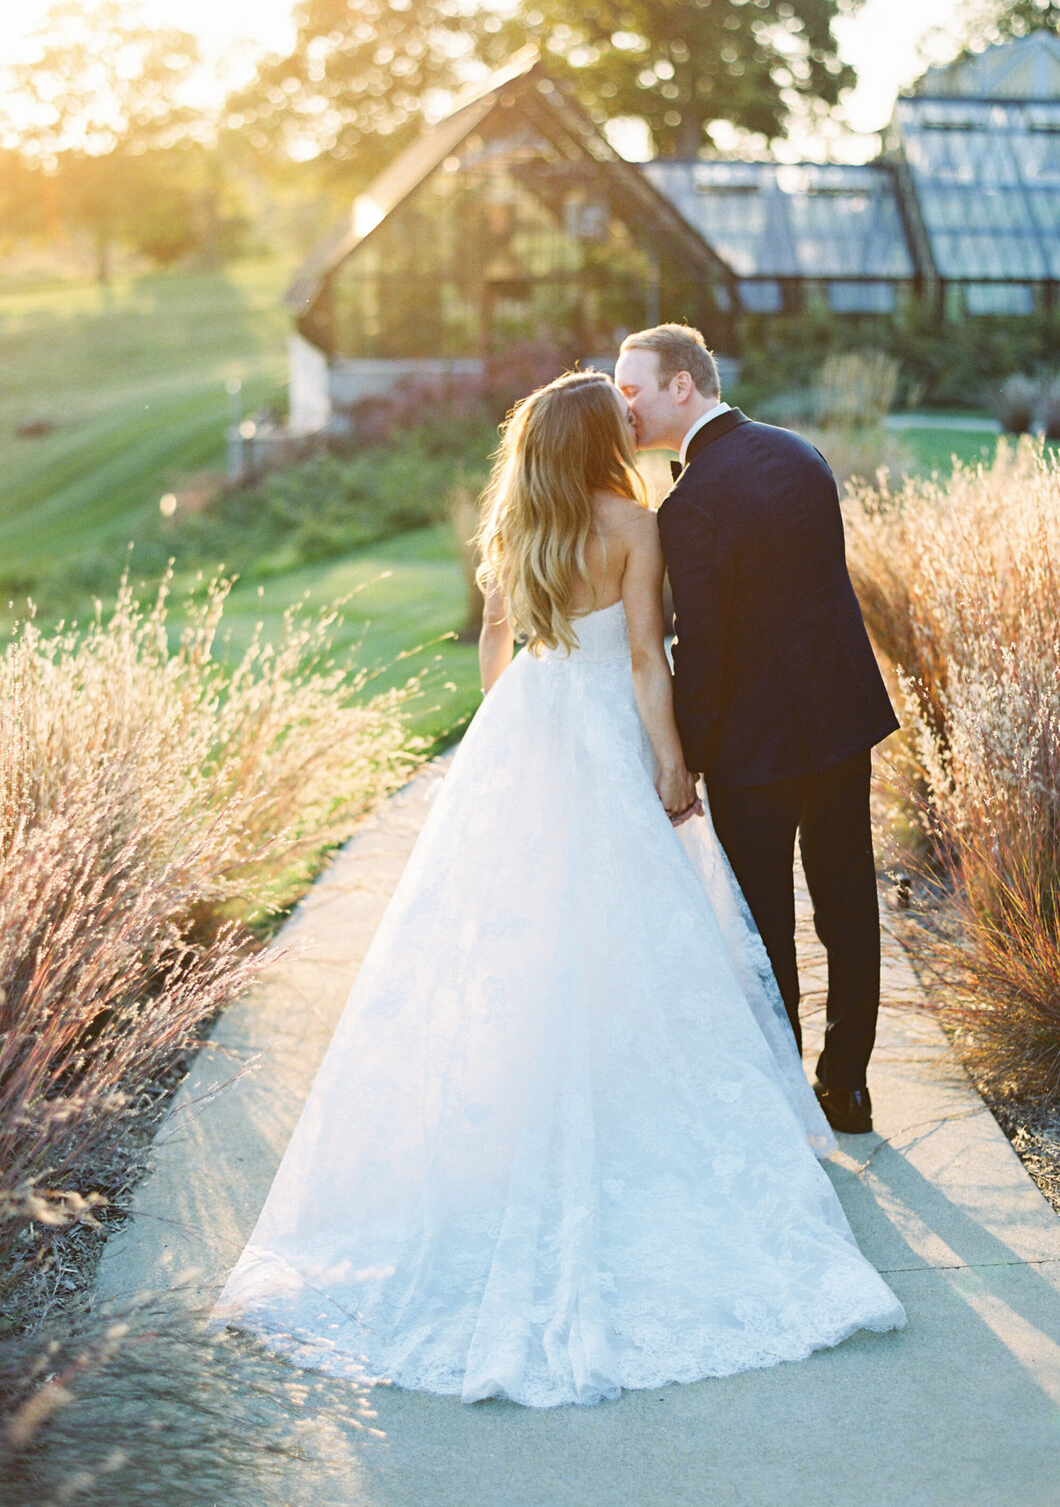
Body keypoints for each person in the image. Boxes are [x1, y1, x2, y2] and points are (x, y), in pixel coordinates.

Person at [211, 371, 904, 1407]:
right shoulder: (633, 523)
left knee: (508, 938)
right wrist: (671, 764)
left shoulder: (513, 524)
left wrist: (518, 727)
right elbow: (642, 663)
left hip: (523, 734)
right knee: (631, 935)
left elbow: (498, 643)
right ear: (599, 443)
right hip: (601, 732)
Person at [614, 326, 899, 1136]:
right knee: (848, 903)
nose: (623, 405)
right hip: (840, 720)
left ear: (682, 385)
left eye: (632, 389)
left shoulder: (690, 503)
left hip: (755, 746)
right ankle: (847, 1086)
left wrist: (687, 759)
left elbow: (703, 648)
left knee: (764, 918)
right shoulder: (800, 453)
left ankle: (785, 1087)